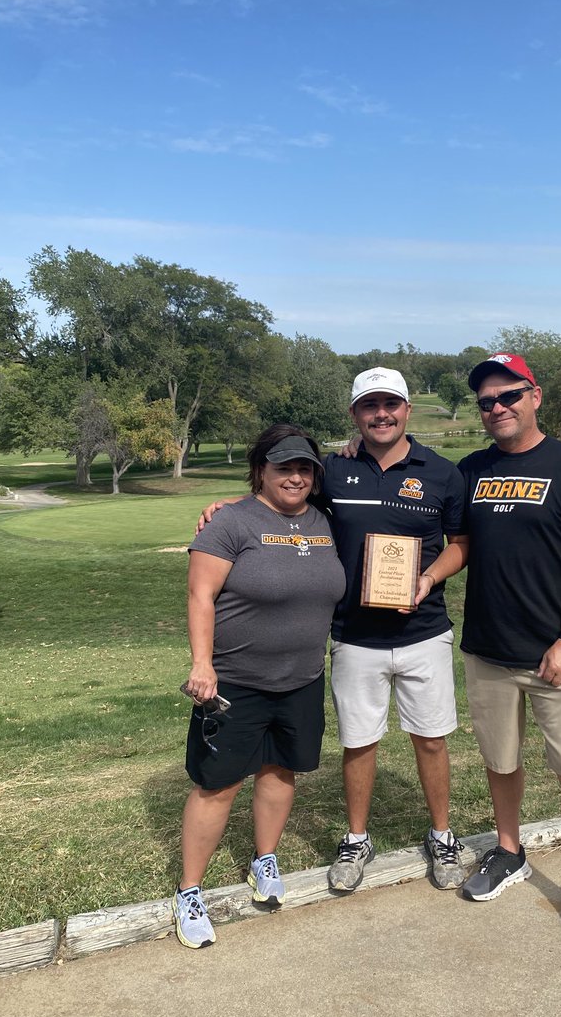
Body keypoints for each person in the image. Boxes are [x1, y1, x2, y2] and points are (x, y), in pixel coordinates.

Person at [199, 368, 469, 892]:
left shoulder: (441, 473)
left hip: (424, 631)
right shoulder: (332, 470)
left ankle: (441, 833)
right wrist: (225, 508)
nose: (381, 413)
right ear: (355, 415)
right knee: (359, 742)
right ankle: (356, 836)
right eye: (370, 406)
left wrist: (430, 576)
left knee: (431, 740)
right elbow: (281, 497)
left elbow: (459, 543)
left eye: (391, 403)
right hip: (352, 634)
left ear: (407, 409)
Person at [457, 352, 561, 948]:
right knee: (501, 763)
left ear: (535, 397)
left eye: (509, 396)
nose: (497, 408)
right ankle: (509, 851)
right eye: (486, 401)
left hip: (559, 658)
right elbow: (435, 518)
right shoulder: (471, 469)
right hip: (487, 652)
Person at [173, 425, 346, 950]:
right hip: (236, 681)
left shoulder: (326, 521)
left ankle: (263, 859)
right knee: (218, 783)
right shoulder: (230, 523)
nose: (295, 476)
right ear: (261, 471)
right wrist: (202, 663)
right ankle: (189, 891)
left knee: (280, 769)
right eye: (282, 468)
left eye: (304, 468)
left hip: (302, 678)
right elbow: (201, 596)